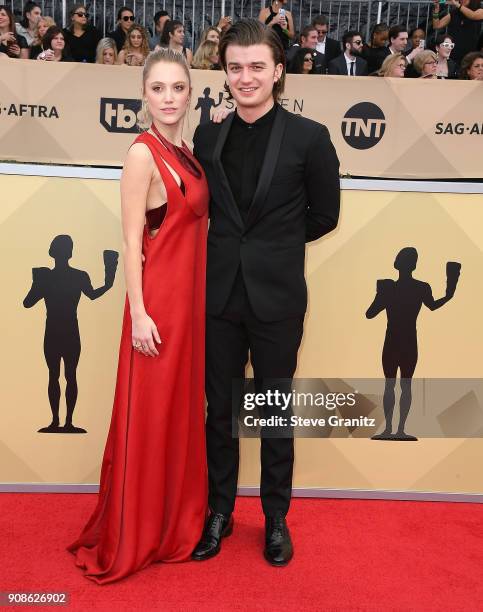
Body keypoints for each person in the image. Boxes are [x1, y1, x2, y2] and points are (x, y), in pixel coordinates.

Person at [191, 19, 340, 567]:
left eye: (257, 66)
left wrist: (273, 246)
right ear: (224, 72)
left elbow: (326, 214)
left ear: (279, 71)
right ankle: (219, 512)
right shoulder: (209, 135)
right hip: (220, 296)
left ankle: (276, 518)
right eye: (235, 67)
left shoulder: (310, 136)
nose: (245, 77)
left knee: (274, 411)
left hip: (277, 298)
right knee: (221, 412)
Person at [67, 47, 209, 584]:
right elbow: (131, 242)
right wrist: (140, 314)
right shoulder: (142, 155)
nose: (169, 98)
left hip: (189, 304)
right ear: (144, 95)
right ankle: (139, 530)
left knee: (176, 415)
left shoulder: (187, 150)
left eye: (178, 88)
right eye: (158, 89)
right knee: (149, 419)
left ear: (190, 93)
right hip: (158, 309)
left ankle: (173, 523)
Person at [23, 237, 118, 433]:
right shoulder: (72, 276)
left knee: (60, 376)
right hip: (65, 332)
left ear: (53, 251)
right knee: (65, 376)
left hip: (59, 332)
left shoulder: (54, 277)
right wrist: (109, 278)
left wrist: (37, 281)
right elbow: (28, 302)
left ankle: (61, 422)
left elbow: (28, 302)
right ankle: (62, 422)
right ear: (69, 252)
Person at [367, 249, 460, 441]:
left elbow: (370, 313)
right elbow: (433, 305)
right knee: (402, 385)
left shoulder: (391, 287)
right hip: (407, 340)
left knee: (393, 385)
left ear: (397, 263)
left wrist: (381, 294)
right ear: (414, 265)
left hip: (395, 340)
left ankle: (393, 429)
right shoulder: (419, 288)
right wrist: (449, 293)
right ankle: (397, 429)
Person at [432, 0, 482, 65]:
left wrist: (456, 4)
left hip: (471, 54)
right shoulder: (454, 13)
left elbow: (473, 16)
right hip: (455, 53)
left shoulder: (479, 10)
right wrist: (436, 11)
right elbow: (437, 25)